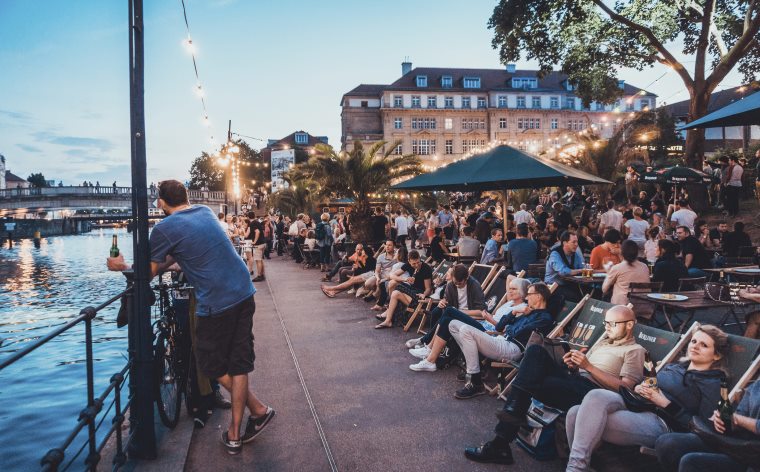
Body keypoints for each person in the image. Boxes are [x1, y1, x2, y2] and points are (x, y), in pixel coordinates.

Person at [106, 180, 274, 455]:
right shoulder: (204, 213)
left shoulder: (163, 229)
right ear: (186, 197)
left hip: (217, 300)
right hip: (243, 289)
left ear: (160, 202)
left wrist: (121, 266)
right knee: (239, 360)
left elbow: (146, 273)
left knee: (210, 365)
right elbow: (179, 255)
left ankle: (255, 411)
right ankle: (243, 425)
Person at [464, 305, 645, 465]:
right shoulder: (604, 342)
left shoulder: (634, 351)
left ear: (629, 324)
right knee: (536, 351)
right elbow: (583, 369)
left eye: (612, 324)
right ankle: (504, 434)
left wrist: (588, 366)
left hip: (595, 396)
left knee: (529, 382)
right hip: (575, 381)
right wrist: (574, 364)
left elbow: (625, 389)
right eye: (605, 323)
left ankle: (502, 439)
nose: (607, 327)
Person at [567, 325, 728, 472]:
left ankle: (576, 468)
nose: (695, 346)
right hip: (637, 403)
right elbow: (646, 383)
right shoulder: (674, 367)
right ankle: (581, 467)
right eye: (694, 341)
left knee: (577, 415)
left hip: (661, 421)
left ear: (716, 355)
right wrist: (638, 387)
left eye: (704, 345)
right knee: (593, 397)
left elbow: (703, 428)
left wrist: (663, 402)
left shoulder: (713, 383)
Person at [447, 281, 554, 398]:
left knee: (465, 330)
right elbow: (499, 327)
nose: (526, 297)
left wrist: (509, 329)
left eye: (529, 294)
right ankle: (474, 365)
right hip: (501, 341)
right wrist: (514, 312)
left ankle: (475, 381)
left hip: (513, 349)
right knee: (453, 324)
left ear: (538, 296)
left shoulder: (544, 318)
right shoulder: (527, 312)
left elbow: (516, 332)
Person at [656, 377, 760, 471]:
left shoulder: (712, 381)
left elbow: (739, 419)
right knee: (668, 443)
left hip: (753, 459)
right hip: (740, 448)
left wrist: (738, 419)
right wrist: (724, 421)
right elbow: (739, 418)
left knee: (691, 462)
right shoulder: (756, 387)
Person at [407, 264, 487, 373]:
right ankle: (430, 360)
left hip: (472, 318)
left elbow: (481, 312)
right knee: (440, 312)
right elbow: (447, 302)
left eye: (460, 283)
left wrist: (459, 312)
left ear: (466, 278)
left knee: (450, 311)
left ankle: (427, 345)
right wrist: (442, 302)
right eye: (455, 283)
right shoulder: (450, 285)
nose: (457, 285)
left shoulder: (474, 285)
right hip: (456, 316)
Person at [375, 250, 433, 328]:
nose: (416, 265)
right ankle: (388, 321)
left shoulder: (426, 268)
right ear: (409, 261)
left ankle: (388, 311)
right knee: (395, 292)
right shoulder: (408, 265)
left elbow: (428, 289)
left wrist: (424, 294)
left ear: (419, 259)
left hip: (419, 296)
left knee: (398, 287)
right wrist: (405, 280)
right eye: (414, 264)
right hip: (411, 292)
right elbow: (392, 275)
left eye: (418, 262)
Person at [602, 239, 651, 305]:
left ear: (622, 252)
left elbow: (604, 289)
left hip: (623, 309)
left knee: (605, 296)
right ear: (637, 253)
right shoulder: (645, 267)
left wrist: (609, 272)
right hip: (644, 307)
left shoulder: (617, 268)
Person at [545, 231, 585, 301]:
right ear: (564, 243)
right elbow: (563, 271)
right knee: (575, 297)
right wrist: (580, 271)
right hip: (553, 286)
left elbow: (582, 267)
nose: (576, 244)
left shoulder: (574, 254)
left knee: (589, 292)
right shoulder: (555, 254)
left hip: (569, 284)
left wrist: (586, 269)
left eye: (577, 242)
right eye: (573, 242)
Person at [249, 216, 266, 282]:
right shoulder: (257, 222)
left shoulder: (252, 223)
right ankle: (262, 275)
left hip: (258, 244)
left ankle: (259, 276)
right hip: (263, 243)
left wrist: (255, 241)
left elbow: (257, 232)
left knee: (258, 260)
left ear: (248, 217)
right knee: (261, 260)